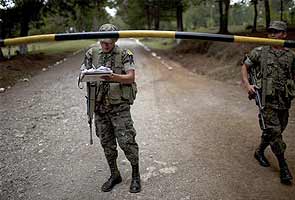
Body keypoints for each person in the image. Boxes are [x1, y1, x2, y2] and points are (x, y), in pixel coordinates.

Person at [81, 24, 141, 193]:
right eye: (102, 42)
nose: (105, 45)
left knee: (127, 142)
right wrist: (86, 74)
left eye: (108, 42)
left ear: (115, 40)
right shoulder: (91, 53)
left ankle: (136, 175)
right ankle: (115, 174)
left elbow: (130, 78)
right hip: (100, 108)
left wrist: (113, 77)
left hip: (119, 107)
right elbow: (82, 72)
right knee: (107, 144)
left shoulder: (124, 54)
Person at [241, 21, 295, 185]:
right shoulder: (260, 52)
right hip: (267, 101)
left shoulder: (291, 55)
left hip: (284, 101)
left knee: (276, 130)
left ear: (284, 35)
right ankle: (283, 167)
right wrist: (248, 85)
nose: (272, 34)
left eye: (277, 32)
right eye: (270, 32)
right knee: (275, 133)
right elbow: (245, 67)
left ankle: (259, 152)